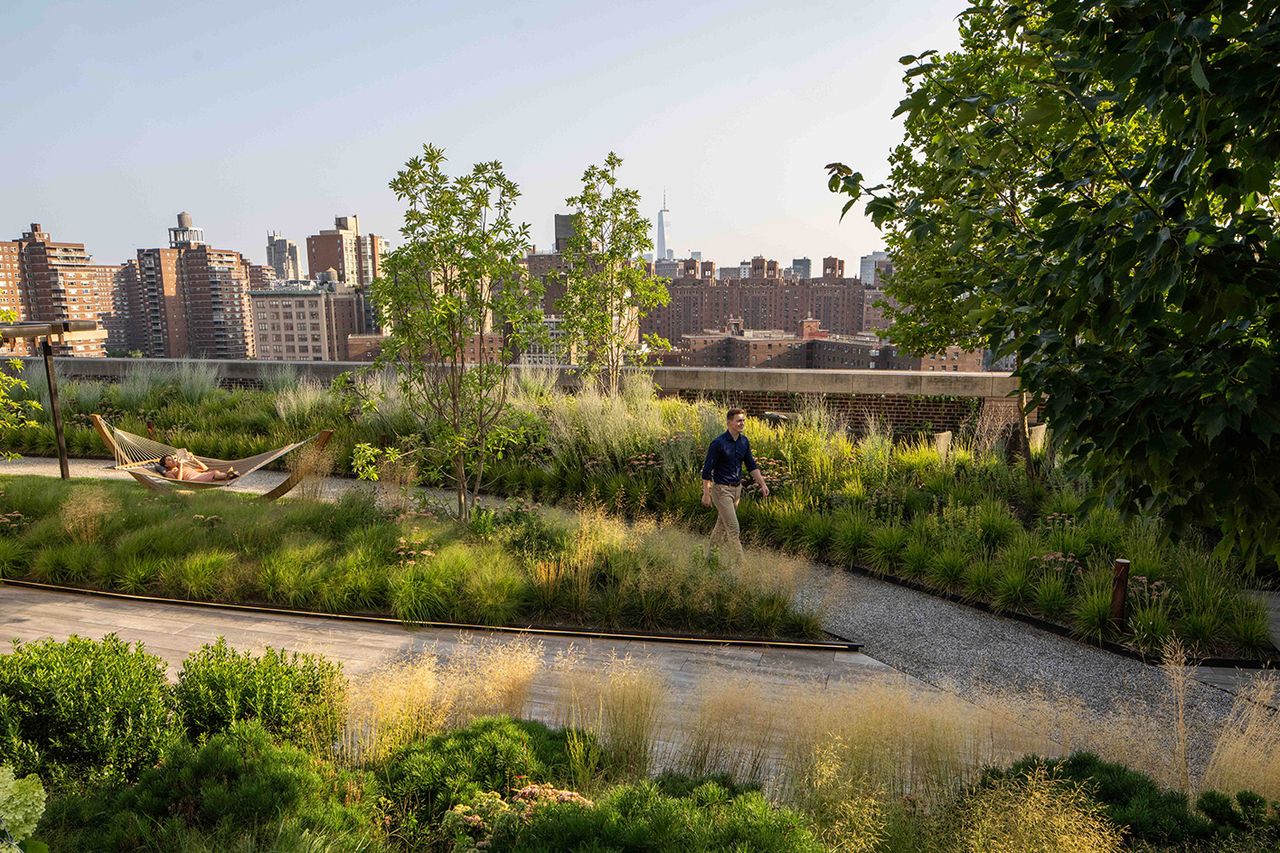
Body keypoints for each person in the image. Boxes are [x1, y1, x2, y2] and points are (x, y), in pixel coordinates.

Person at [701, 407, 768, 565]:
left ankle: (709, 559)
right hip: (721, 490)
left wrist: (762, 484)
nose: (742, 423)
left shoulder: (744, 442)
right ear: (729, 422)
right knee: (733, 528)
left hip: (737, 490)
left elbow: (751, 465)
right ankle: (743, 567)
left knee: (722, 526)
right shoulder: (718, 443)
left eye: (743, 420)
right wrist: (706, 493)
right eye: (738, 420)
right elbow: (707, 470)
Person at [160, 451, 237, 483]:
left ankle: (228, 476)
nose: (173, 460)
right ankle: (228, 475)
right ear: (166, 465)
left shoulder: (184, 467)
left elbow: (205, 469)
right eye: (169, 460)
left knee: (215, 472)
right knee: (214, 474)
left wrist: (194, 459)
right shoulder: (169, 472)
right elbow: (178, 481)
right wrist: (180, 467)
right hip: (193, 480)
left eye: (173, 458)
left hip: (200, 475)